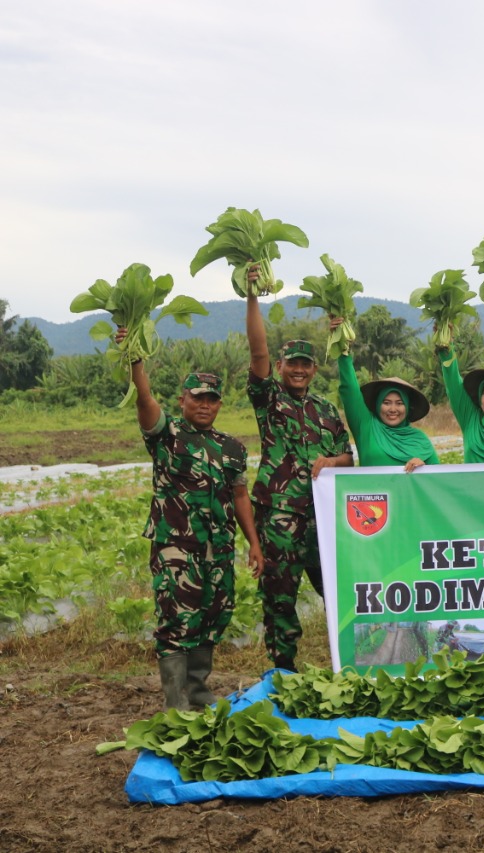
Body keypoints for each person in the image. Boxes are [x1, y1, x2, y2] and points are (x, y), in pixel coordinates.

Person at [117, 327, 263, 709]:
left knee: (213, 616)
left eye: (212, 399)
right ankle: (176, 706)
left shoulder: (231, 447)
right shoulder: (167, 435)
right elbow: (144, 399)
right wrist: (135, 357)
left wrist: (254, 543)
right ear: (183, 399)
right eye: (198, 397)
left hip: (219, 548)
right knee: (177, 622)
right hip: (177, 549)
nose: (205, 405)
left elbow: (240, 495)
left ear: (219, 404)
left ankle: (198, 695)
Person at [245, 268, 353, 672]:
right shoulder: (270, 400)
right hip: (280, 520)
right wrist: (252, 297)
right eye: (292, 363)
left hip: (324, 522)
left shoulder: (325, 409)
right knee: (279, 598)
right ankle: (283, 671)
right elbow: (256, 354)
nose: (300, 370)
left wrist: (331, 461)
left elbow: (348, 457)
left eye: (306, 364)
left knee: (341, 596)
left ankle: (349, 666)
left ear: (313, 368)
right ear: (282, 365)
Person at [330, 317, 438, 472]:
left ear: (407, 408)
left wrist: (423, 467)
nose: (393, 409)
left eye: (399, 403)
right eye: (386, 402)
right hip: (376, 496)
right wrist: (342, 347)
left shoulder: (420, 440)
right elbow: (349, 389)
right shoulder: (366, 426)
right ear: (377, 404)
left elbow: (439, 479)